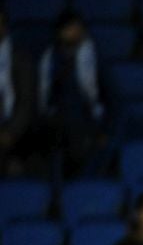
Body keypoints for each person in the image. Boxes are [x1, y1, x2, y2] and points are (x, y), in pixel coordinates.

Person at [37, 10, 104, 177]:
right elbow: (43, 95)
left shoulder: (94, 59)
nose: (75, 33)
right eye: (70, 29)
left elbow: (108, 96)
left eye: (78, 29)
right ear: (60, 32)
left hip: (86, 124)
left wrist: (103, 128)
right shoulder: (49, 59)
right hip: (56, 124)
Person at [0, 8, 37, 176]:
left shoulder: (21, 59)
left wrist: (11, 132)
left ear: (4, 27)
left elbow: (27, 102)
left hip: (16, 130)